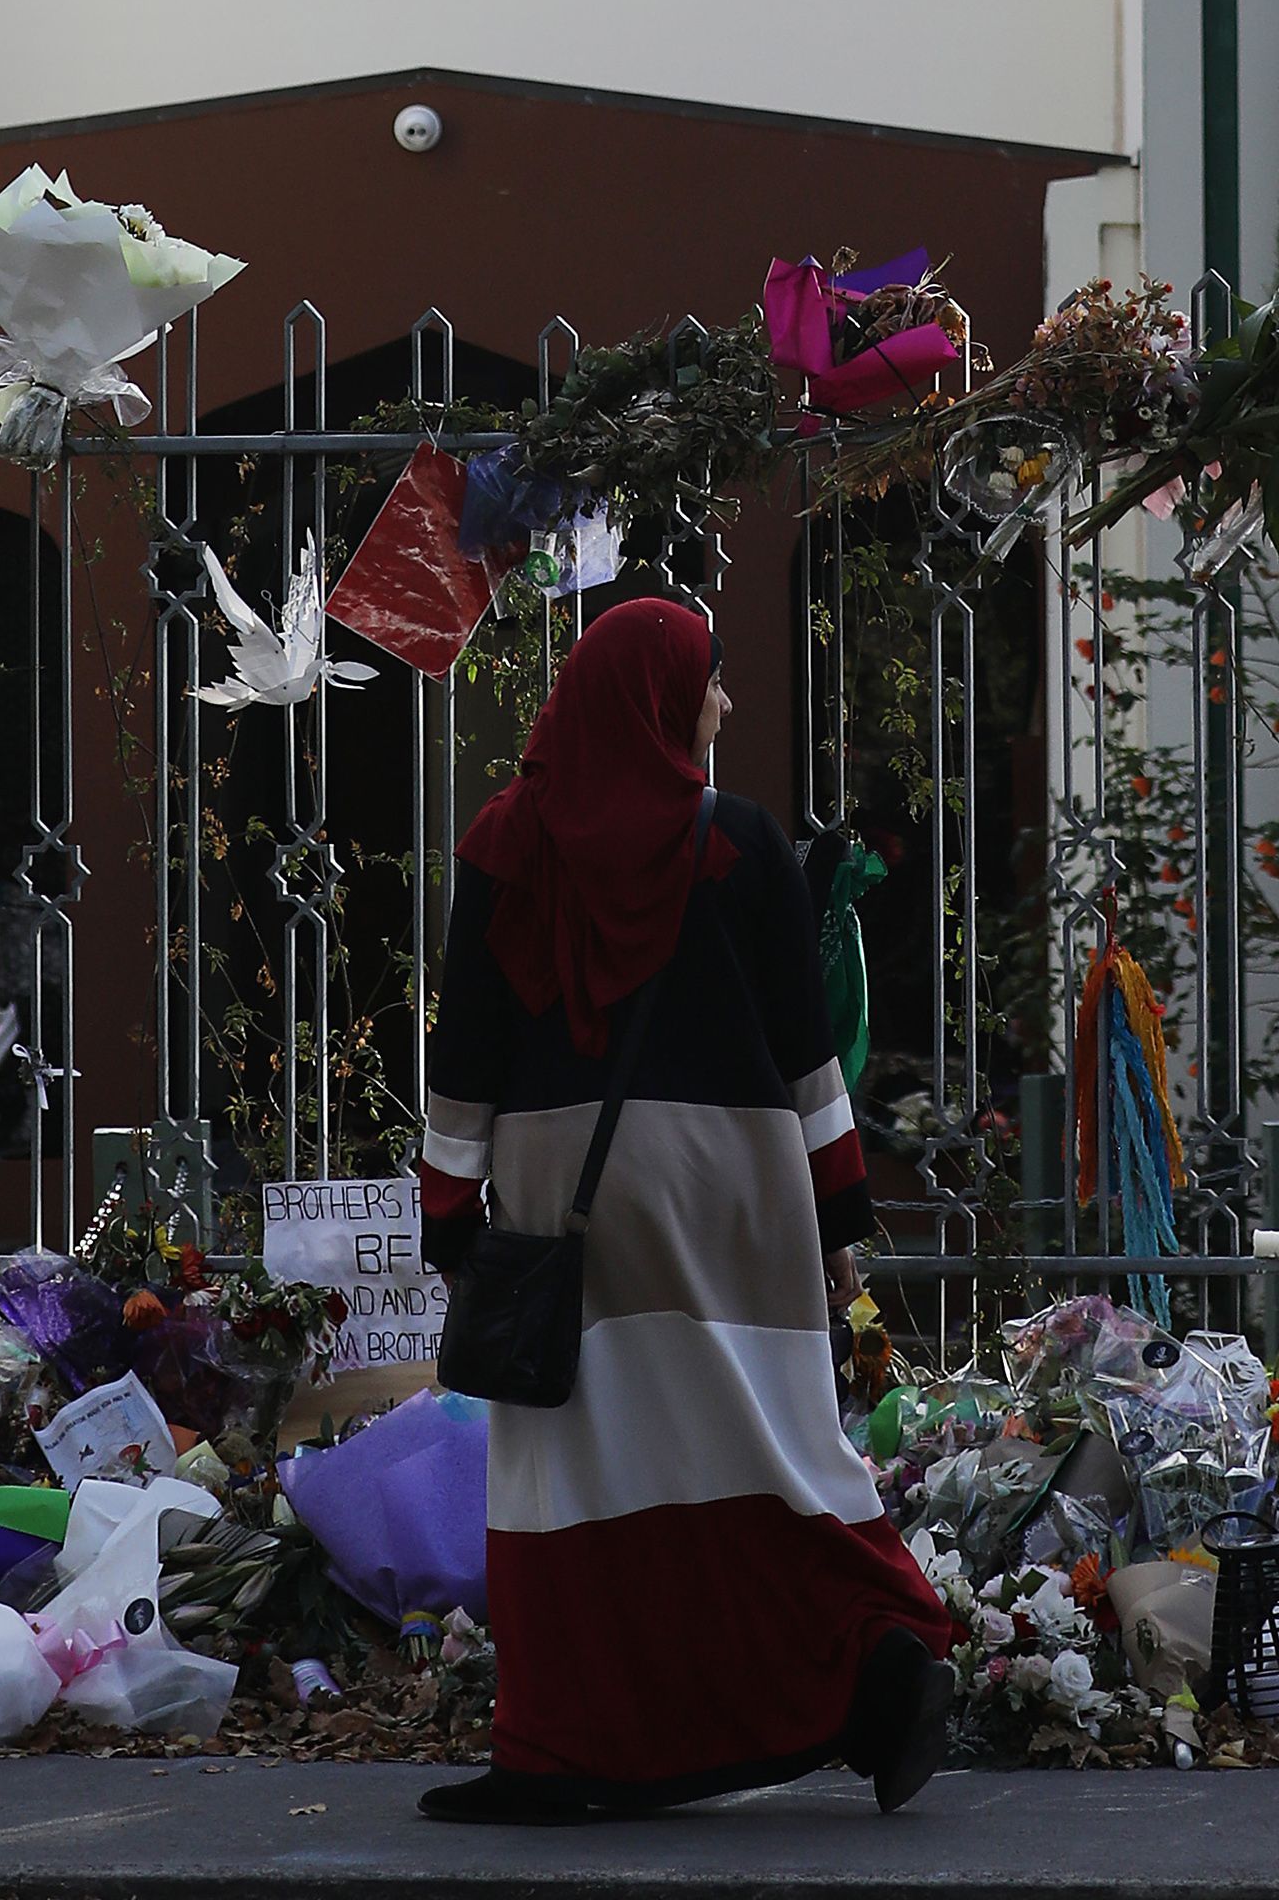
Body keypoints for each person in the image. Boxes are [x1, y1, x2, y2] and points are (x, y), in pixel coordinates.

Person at [416, 589, 958, 1822]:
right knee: (765, 1448)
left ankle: (567, 1747)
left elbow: (467, 1051)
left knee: (584, 1479)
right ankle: (876, 1660)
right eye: (711, 677)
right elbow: (806, 1053)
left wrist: (450, 1214)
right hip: (738, 1197)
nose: (723, 698)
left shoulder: (510, 844)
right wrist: (835, 1221)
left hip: (575, 1206)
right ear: (660, 698)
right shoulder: (741, 843)